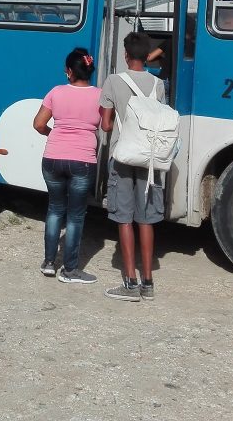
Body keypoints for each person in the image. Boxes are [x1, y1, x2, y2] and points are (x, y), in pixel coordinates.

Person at [100, 32, 166, 302]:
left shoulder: (114, 81)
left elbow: (105, 124)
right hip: (150, 159)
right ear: (147, 56)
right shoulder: (158, 84)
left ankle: (130, 283)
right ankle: (147, 282)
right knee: (146, 218)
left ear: (126, 55)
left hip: (123, 156)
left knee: (124, 218)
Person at [32, 48, 101, 284]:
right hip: (82, 160)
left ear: (70, 72)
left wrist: (55, 134)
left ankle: (49, 263)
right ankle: (70, 270)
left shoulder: (56, 92)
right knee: (75, 216)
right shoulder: (100, 96)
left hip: (52, 158)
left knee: (54, 210)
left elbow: (39, 124)